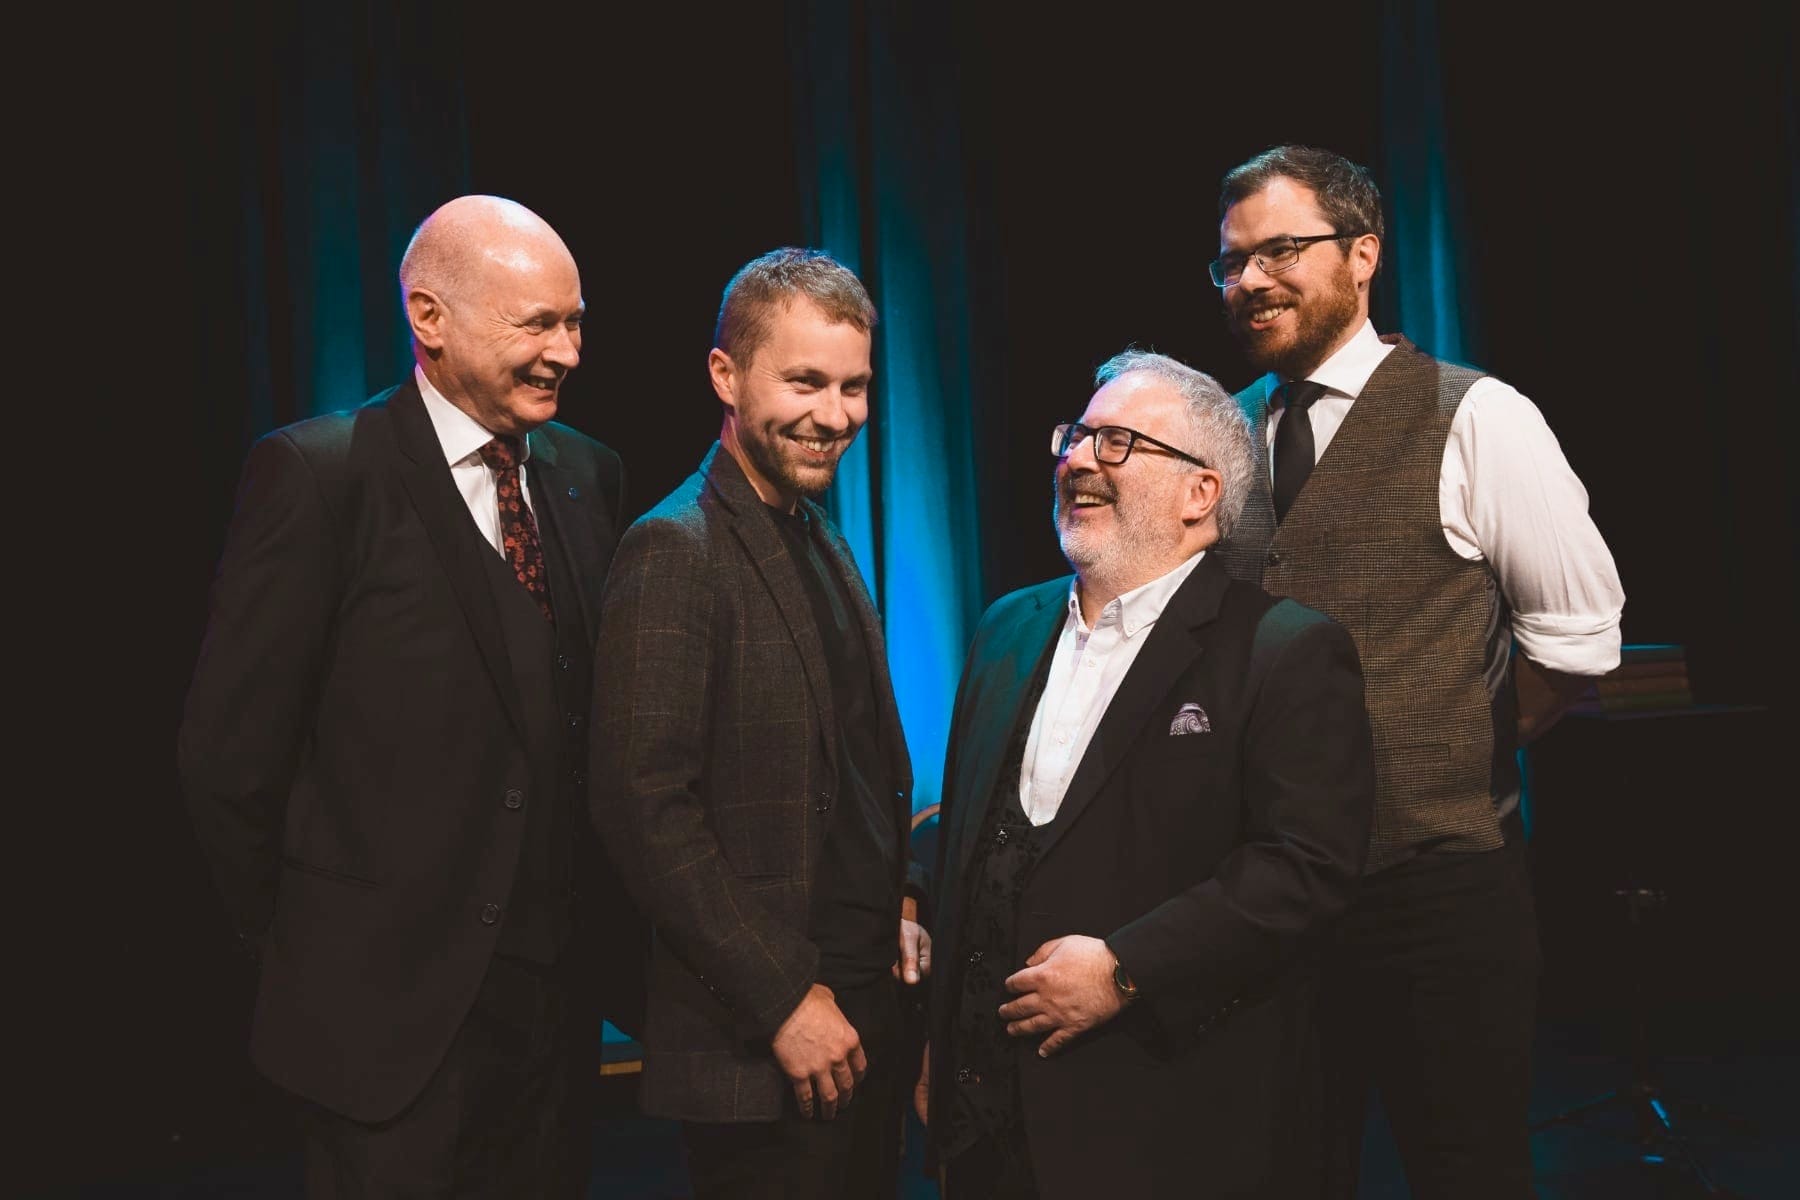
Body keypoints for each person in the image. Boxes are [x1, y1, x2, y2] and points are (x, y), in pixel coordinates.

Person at [179, 194, 645, 1197]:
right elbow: (228, 765)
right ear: (429, 319)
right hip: (381, 1036)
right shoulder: (318, 477)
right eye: (538, 324)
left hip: (551, 1032)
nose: (567, 350)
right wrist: (319, 949)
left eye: (575, 322)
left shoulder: (586, 475)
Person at [1209, 144, 1626, 1199]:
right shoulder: (1220, 436)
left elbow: (1576, 641)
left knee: (1465, 1172)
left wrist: (1442, 752)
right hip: (1266, 901)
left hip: (1439, 902)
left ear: (1362, 256)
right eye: (1231, 261)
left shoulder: (1478, 415)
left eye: (1280, 250)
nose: (1250, 279)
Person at [917, 349, 1378, 1198]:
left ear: (1202, 496)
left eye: (1119, 442)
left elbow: (1307, 868)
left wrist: (1129, 966)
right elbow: (983, 841)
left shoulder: (1284, 651)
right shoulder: (1004, 631)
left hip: (1161, 1124)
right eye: (1078, 437)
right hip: (988, 1126)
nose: (1081, 459)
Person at [589, 247, 927, 1199]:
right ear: (725, 376)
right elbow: (641, 808)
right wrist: (782, 999)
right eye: (806, 381)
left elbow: (857, 761)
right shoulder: (675, 547)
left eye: (855, 386)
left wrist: (900, 897)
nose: (836, 415)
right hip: (764, 1043)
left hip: (861, 1016)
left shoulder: (817, 530)